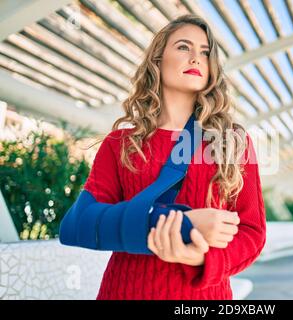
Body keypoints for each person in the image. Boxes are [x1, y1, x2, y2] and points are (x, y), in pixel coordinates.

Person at [80, 14, 266, 300]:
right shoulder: (119, 144)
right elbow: (82, 222)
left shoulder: (233, 142)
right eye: (183, 47)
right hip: (125, 291)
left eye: (205, 53)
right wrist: (184, 223)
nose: (196, 58)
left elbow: (252, 232)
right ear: (157, 59)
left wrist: (203, 259)